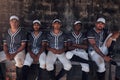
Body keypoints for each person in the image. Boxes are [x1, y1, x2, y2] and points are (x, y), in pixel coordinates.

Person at [3, 15, 27, 80]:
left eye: (15, 21)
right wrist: (7, 54)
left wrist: (13, 54)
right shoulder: (7, 32)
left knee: (19, 63)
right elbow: (5, 45)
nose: (14, 23)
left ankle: (19, 78)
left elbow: (23, 45)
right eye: (12, 21)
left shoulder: (22, 32)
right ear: (10, 22)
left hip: (19, 50)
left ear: (18, 23)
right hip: (9, 50)